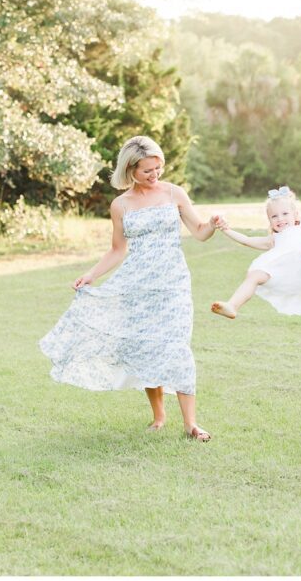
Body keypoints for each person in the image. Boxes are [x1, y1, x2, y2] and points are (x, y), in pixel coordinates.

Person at [39, 135, 218, 442]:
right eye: (147, 170)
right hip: (137, 286)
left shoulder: (174, 193)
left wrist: (214, 223)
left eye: (158, 168)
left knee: (176, 348)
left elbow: (200, 232)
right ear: (130, 170)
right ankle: (159, 416)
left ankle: (191, 425)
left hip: (173, 285)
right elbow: (117, 250)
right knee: (146, 347)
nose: (155, 175)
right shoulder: (120, 205)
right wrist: (91, 275)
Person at [210, 183, 301, 318]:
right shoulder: (273, 240)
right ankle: (232, 305)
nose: (280, 219)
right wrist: (225, 229)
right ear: (269, 220)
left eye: (285, 213)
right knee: (254, 276)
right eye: (274, 216)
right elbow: (246, 240)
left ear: (295, 214)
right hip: (288, 274)